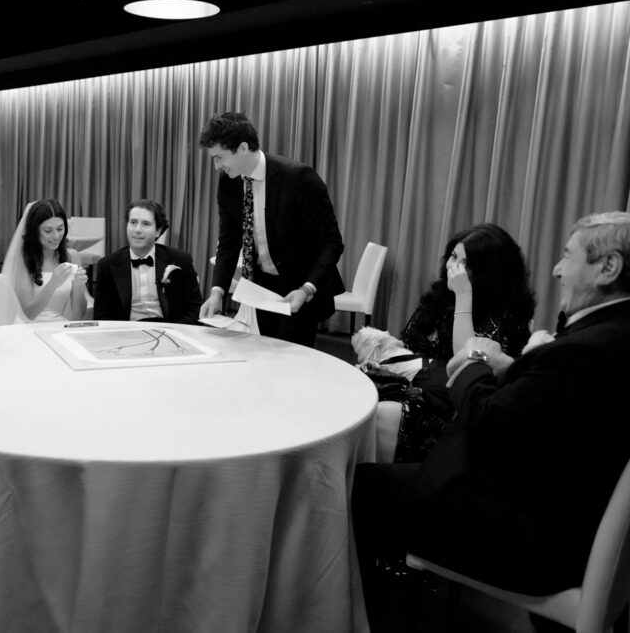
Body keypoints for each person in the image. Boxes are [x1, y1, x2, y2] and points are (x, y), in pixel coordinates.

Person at [353, 212, 630, 632]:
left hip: (532, 535)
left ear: (608, 267)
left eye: (567, 256)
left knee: (361, 485)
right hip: (563, 507)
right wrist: (515, 364)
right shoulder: (613, 334)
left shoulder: (588, 346)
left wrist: (477, 360)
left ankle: (366, 616)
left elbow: (485, 421)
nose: (556, 269)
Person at [388, 223, 535, 461]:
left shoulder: (506, 315)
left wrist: (464, 297)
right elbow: (408, 344)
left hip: (455, 412)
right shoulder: (440, 296)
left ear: (489, 271)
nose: (452, 268)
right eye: (453, 257)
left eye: (465, 264)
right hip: (416, 388)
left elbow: (466, 365)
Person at [197, 112, 345, 346]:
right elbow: (229, 240)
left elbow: (331, 242)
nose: (216, 167)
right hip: (261, 289)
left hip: (299, 289)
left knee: (292, 367)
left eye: (219, 158)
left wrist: (306, 290)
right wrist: (217, 291)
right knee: (261, 358)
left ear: (243, 148)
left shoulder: (298, 178)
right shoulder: (229, 181)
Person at [93, 199, 202, 323]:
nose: (137, 229)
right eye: (133, 222)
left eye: (146, 224)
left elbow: (194, 308)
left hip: (171, 330)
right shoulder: (107, 265)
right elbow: (101, 315)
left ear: (158, 231)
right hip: (126, 334)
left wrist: (175, 332)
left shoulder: (180, 260)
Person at [0, 199, 88, 323]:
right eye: (48, 231)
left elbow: (78, 314)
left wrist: (79, 285)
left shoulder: (72, 256)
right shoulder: (23, 258)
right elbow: (30, 313)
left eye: (60, 228)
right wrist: (52, 284)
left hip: (58, 327)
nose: (56, 236)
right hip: (28, 328)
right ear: (35, 231)